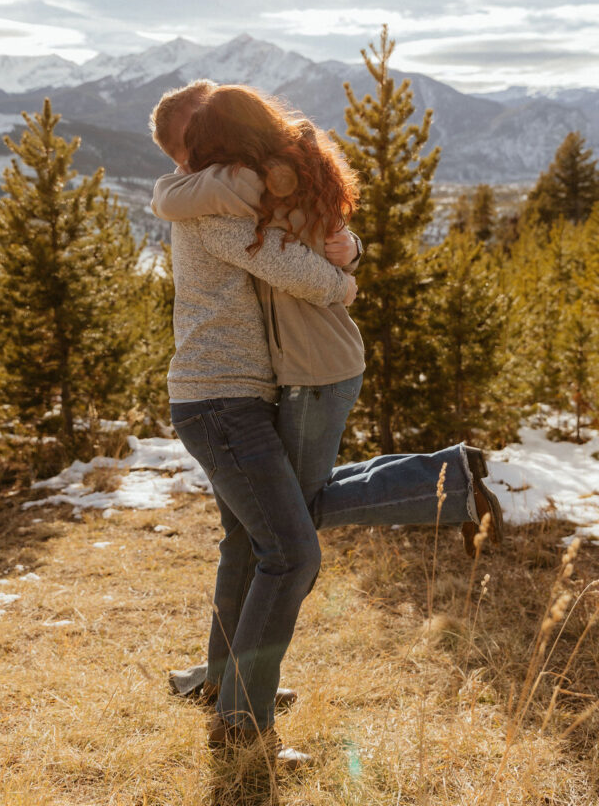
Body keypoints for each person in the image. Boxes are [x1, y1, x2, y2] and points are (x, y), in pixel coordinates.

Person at [149, 84, 504, 755]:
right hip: (221, 400)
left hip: (239, 395)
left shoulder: (234, 191)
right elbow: (288, 264)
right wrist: (342, 280)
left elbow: (316, 231)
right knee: (290, 550)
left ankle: (224, 682)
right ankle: (242, 720)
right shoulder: (210, 206)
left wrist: (344, 247)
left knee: (250, 543)